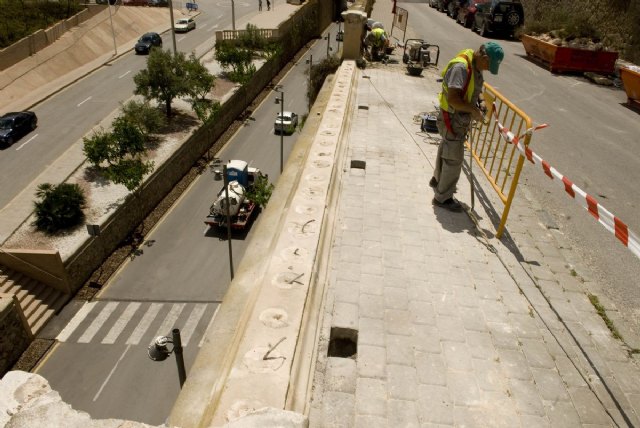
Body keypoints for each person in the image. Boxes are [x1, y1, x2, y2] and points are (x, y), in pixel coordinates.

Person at [430, 41, 504, 212]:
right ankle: (443, 197)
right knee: (454, 159)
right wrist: (474, 111)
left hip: (457, 119)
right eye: (488, 65)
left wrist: (480, 102)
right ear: (484, 57)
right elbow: (454, 99)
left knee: (447, 148)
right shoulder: (461, 68)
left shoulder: (474, 65)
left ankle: (437, 180)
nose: (487, 69)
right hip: (451, 118)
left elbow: (473, 90)